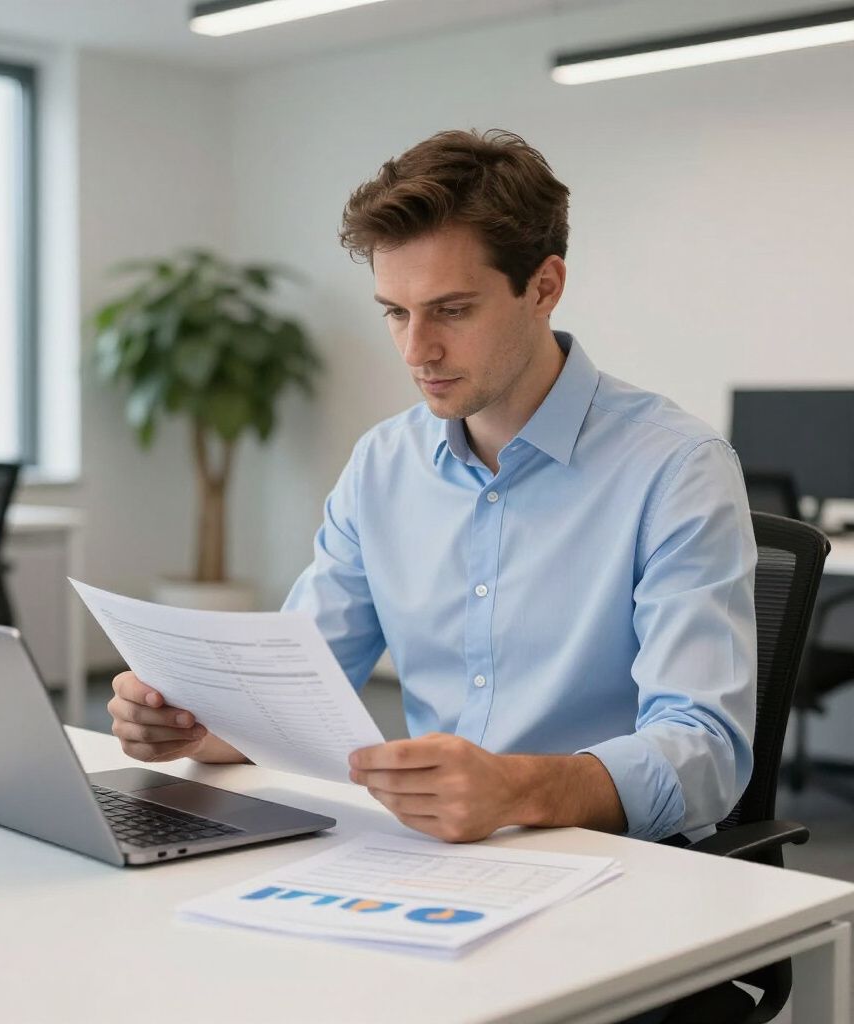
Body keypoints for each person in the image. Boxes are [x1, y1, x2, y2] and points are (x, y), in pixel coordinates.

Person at [108, 128, 756, 847]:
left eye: (451, 310)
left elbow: (707, 756)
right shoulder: (383, 464)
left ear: (544, 287)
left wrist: (517, 788)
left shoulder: (676, 466)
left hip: (615, 865)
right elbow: (292, 692)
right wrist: (193, 724)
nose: (417, 351)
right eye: (395, 312)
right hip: (437, 862)